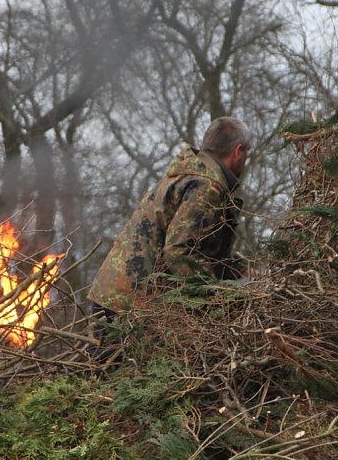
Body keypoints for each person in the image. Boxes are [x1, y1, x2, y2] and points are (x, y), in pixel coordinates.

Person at [87, 116, 252, 315]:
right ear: (238, 151)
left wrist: (239, 269)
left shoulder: (187, 175)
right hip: (131, 306)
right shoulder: (206, 186)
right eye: (246, 153)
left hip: (118, 295)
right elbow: (180, 251)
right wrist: (213, 299)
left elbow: (200, 247)